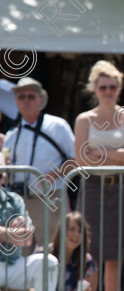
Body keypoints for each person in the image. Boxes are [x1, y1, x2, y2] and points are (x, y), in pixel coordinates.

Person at [74, 60, 124, 291]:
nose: (108, 91)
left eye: (113, 86)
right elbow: (80, 157)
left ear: (120, 88)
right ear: (95, 88)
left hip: (123, 188)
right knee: (89, 249)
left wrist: (99, 154)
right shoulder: (84, 119)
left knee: (115, 251)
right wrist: (116, 156)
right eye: (103, 87)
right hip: (92, 188)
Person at [4, 77, 75, 241]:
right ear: (16, 101)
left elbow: (75, 159)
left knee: (52, 252)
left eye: (31, 96)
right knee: (23, 256)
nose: (26, 101)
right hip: (21, 203)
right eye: (21, 97)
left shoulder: (57, 126)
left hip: (51, 198)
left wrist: (52, 175)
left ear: (41, 100)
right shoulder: (11, 135)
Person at [0, 154, 60, 291]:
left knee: (48, 262)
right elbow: (19, 236)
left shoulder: (14, 200)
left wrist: (2, 233)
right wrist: (11, 234)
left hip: (13, 264)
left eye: (2, 172)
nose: (1, 177)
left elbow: (27, 238)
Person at [47, 212, 114, 291]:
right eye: (72, 229)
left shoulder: (86, 260)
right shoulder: (46, 255)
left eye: (80, 231)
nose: (76, 235)